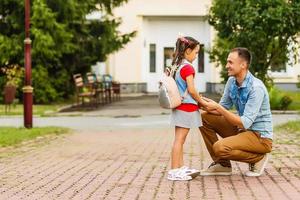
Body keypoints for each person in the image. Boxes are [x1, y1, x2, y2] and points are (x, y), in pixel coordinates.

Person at [199, 47, 273, 177]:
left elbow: (244, 122)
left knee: (219, 148)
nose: (227, 66)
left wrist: (219, 108)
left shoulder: (256, 88)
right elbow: (222, 107)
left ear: (243, 65)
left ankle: (258, 158)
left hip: (260, 137)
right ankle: (222, 165)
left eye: (230, 62)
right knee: (204, 117)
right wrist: (200, 102)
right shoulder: (232, 82)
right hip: (243, 130)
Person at [167, 36, 208, 181]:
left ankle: (180, 167)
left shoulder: (177, 66)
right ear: (188, 50)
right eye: (196, 52)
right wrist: (201, 100)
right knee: (179, 139)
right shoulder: (188, 67)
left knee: (179, 139)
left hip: (179, 106)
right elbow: (191, 89)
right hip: (187, 108)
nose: (197, 56)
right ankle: (174, 170)